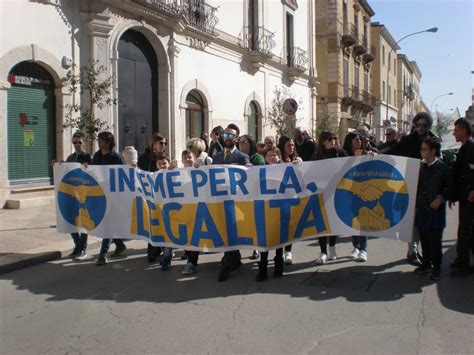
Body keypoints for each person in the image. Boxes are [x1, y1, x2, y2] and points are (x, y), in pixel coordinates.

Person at [388, 112, 438, 265]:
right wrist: (375, 154)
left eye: (424, 125)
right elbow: (393, 150)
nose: (420, 128)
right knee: (412, 220)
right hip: (410, 185)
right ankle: (413, 250)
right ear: (414, 125)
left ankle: (426, 254)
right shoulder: (408, 140)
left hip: (429, 187)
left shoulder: (434, 140)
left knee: (426, 222)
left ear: (428, 125)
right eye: (418, 125)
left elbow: (437, 162)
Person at [213, 124, 250, 281]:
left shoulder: (242, 157)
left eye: (231, 136)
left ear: (237, 138)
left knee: (232, 230)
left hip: (236, 202)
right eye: (226, 135)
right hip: (220, 200)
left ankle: (226, 265)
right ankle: (234, 258)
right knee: (224, 230)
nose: (228, 138)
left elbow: (248, 178)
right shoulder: (216, 157)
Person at [414, 137, 454, 281]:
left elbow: (450, 188)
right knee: (424, 237)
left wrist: (441, 199)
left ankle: (436, 267)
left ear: (433, 151)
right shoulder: (421, 167)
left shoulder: (443, 168)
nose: (421, 152)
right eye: (421, 149)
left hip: (436, 211)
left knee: (435, 240)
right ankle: (426, 263)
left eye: (424, 149)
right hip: (422, 209)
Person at [311, 131, 348, 264]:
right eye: (329, 139)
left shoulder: (342, 153)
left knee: (333, 222)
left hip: (337, 192)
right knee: (322, 223)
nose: (332, 141)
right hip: (321, 193)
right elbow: (311, 173)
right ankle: (323, 252)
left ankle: (332, 247)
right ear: (322, 141)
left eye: (334, 138)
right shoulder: (316, 156)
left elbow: (351, 166)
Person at [92, 131, 127, 266]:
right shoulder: (97, 156)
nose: (99, 142)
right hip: (100, 195)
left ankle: (103, 254)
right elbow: (92, 171)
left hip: (114, 197)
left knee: (108, 224)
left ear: (109, 142)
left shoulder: (117, 158)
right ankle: (119, 245)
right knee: (108, 224)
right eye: (98, 140)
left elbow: (124, 178)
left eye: (102, 140)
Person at [56, 131, 92, 260]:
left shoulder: (89, 157)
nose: (77, 145)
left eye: (79, 142)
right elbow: (66, 172)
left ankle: (83, 249)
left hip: (83, 195)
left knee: (83, 222)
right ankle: (77, 246)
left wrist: (89, 167)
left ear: (84, 143)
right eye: (75, 142)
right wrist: (59, 165)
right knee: (71, 220)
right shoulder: (71, 158)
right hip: (71, 195)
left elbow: (93, 174)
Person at [137, 133, 167, 263]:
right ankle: (153, 249)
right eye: (161, 143)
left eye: (165, 143)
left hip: (161, 195)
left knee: (160, 221)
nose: (163, 145)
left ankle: (161, 248)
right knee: (151, 221)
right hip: (148, 195)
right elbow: (139, 172)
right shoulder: (144, 157)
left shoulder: (164, 157)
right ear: (153, 143)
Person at [256, 147, 285, 281]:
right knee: (264, 241)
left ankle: (279, 267)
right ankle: (262, 269)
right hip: (264, 210)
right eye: (269, 155)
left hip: (280, 209)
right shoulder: (259, 171)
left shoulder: (286, 168)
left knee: (279, 240)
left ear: (279, 157)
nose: (272, 157)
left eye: (274, 155)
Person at [449, 118, 474, 276]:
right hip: (464, 195)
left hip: (470, 196)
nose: (454, 133)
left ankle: (464, 264)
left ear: (464, 130)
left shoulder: (471, 147)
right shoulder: (464, 147)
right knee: (463, 228)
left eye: (456, 129)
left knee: (467, 229)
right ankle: (461, 259)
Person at [342, 131, 371, 261]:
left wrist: (372, 156)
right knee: (354, 220)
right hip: (350, 191)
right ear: (350, 142)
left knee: (363, 219)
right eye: (356, 140)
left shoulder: (368, 153)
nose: (359, 141)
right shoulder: (344, 155)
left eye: (360, 139)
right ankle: (356, 247)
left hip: (364, 190)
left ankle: (364, 249)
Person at [239, 134, 265, 259]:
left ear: (250, 143)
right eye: (240, 142)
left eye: (244, 142)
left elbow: (260, 172)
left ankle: (257, 247)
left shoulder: (257, 157)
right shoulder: (237, 157)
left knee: (255, 222)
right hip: (240, 196)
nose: (241, 144)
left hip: (255, 195)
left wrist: (251, 169)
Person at [277, 135, 302, 265]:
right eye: (288, 145)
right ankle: (279, 251)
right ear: (282, 147)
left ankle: (288, 251)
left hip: (292, 199)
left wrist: (299, 166)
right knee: (279, 226)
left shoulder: (298, 160)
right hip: (278, 199)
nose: (291, 148)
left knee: (290, 226)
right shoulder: (277, 160)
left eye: (293, 145)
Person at [154, 152, 175, 271]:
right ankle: (167, 253)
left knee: (168, 235)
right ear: (157, 165)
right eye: (160, 163)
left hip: (170, 210)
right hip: (157, 210)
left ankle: (167, 259)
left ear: (169, 164)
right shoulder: (153, 175)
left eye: (164, 163)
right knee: (160, 235)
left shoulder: (173, 175)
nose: (162, 165)